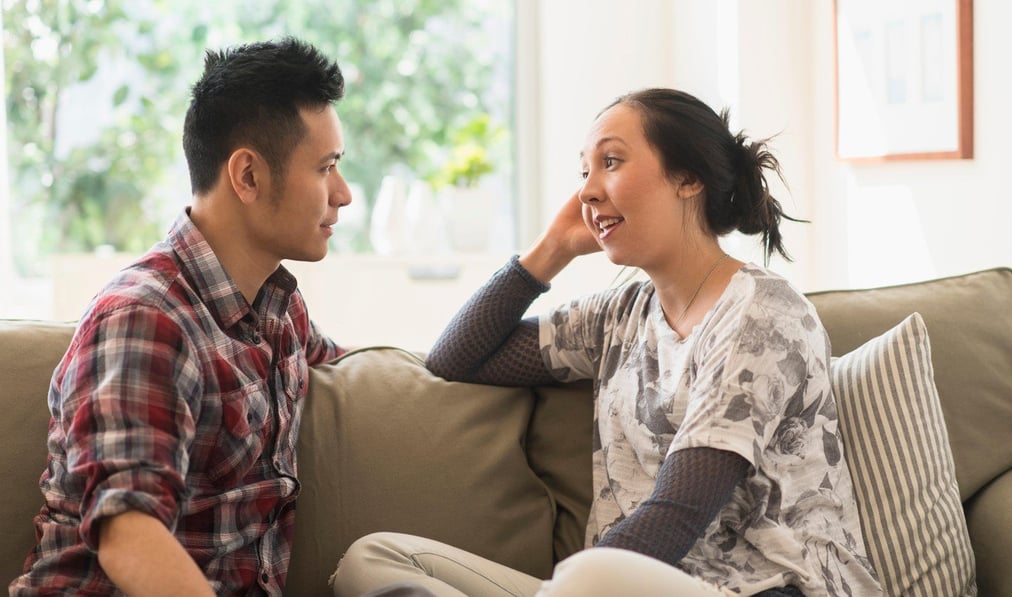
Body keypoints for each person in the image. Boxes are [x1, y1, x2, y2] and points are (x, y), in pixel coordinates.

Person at [332, 88, 882, 596]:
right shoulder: (621, 314)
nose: (587, 190)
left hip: (767, 589)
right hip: (616, 586)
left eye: (611, 162)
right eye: (585, 171)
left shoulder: (761, 313)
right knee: (374, 558)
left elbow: (677, 514)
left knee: (592, 573)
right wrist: (551, 249)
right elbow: (457, 358)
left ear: (687, 178)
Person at [10, 38, 352, 596]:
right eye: (326, 167)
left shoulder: (278, 309)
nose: (344, 194)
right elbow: (128, 531)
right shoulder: (146, 319)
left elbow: (373, 362)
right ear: (247, 176)